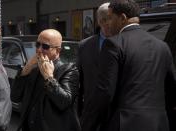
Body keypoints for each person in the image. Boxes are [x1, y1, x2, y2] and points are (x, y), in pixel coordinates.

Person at [81, 0, 176, 131]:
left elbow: (105, 93)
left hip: (125, 123)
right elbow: (171, 89)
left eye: (110, 18)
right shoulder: (162, 46)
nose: (108, 22)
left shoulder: (113, 44)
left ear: (122, 18)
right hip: (159, 123)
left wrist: (89, 125)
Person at [12, 29, 81, 131]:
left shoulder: (69, 70)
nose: (39, 49)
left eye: (45, 46)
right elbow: (15, 97)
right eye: (37, 44)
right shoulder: (32, 69)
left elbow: (64, 102)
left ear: (57, 50)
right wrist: (25, 71)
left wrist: (49, 78)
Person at [77, 2, 113, 130]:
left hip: (117, 114)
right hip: (90, 114)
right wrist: (79, 113)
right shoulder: (85, 45)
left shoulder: (126, 43)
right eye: (104, 19)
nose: (108, 23)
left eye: (111, 18)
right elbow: (79, 81)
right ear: (99, 21)